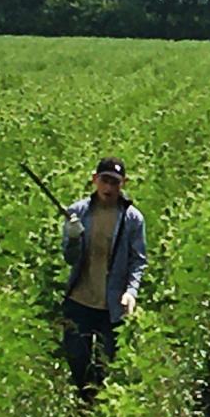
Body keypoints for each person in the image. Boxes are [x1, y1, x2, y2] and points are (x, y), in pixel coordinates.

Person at [61, 156, 146, 400]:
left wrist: (131, 292)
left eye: (115, 183)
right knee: (77, 362)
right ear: (94, 180)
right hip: (80, 300)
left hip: (111, 305)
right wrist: (74, 238)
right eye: (105, 181)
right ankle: (83, 410)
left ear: (124, 184)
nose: (109, 188)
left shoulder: (132, 219)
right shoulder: (78, 212)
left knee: (107, 366)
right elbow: (69, 258)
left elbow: (138, 260)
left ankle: (101, 415)